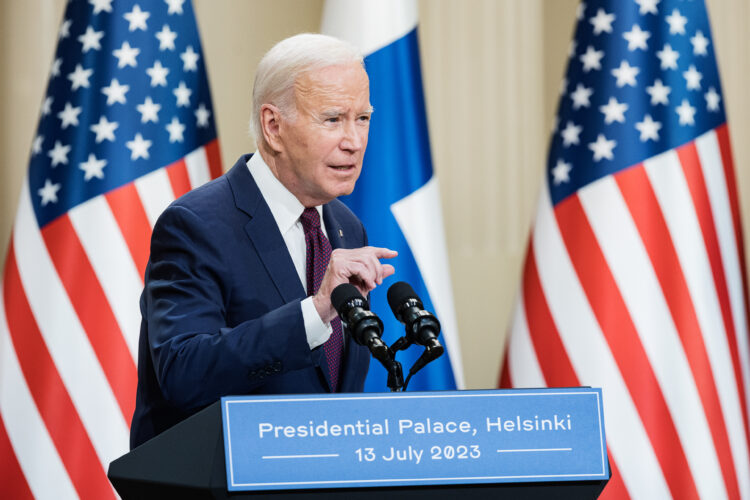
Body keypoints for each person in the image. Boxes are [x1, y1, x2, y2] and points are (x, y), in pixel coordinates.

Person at [130, 33, 397, 448]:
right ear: (273, 126)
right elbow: (183, 372)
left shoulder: (347, 227)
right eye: (332, 119)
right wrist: (316, 311)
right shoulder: (195, 225)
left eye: (362, 118)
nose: (355, 141)